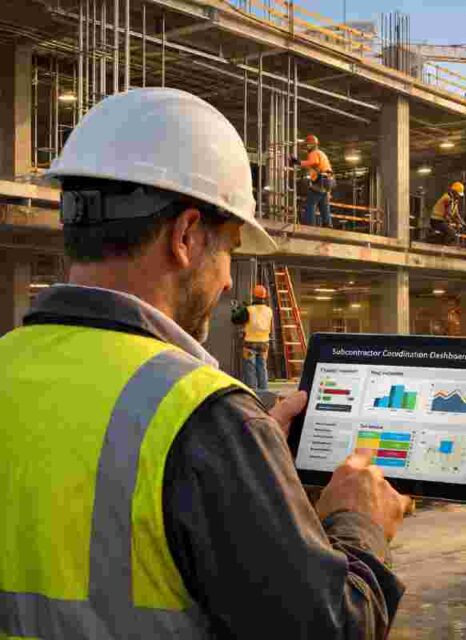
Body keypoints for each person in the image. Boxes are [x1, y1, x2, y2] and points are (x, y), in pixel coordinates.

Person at [0, 88, 409, 638]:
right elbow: (329, 627)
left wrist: (257, 459)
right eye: (230, 252)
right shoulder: (201, 416)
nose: (224, 281)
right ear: (187, 236)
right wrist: (359, 525)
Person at [231, 284, 273, 392]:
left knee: (250, 370)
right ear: (265, 297)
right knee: (262, 369)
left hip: (250, 343)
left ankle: (252, 394)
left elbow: (236, 319)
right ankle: (264, 393)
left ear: (253, 296)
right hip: (264, 344)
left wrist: (235, 309)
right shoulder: (269, 311)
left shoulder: (249, 310)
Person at [293, 133, 335, 227]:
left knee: (310, 203)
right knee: (323, 204)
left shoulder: (314, 153)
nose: (306, 147)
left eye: (307, 144)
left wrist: (298, 162)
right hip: (328, 181)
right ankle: (327, 224)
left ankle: (309, 224)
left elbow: (313, 162)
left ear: (312, 144)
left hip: (321, 181)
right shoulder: (321, 153)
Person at [430, 181, 465, 245]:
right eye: (458, 194)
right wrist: (456, 221)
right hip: (436, 220)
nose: (459, 196)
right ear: (454, 191)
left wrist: (463, 222)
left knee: (450, 232)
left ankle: (441, 244)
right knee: (452, 233)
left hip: (442, 221)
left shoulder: (455, 200)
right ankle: (444, 248)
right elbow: (448, 212)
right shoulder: (447, 198)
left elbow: (456, 213)